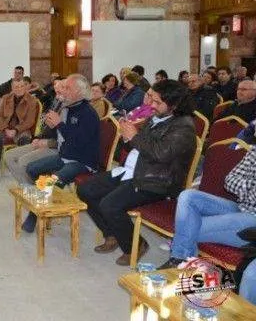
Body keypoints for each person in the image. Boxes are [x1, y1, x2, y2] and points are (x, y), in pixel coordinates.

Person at [76, 80, 196, 266]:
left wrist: (134, 136)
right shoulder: (157, 117)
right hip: (135, 171)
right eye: (151, 99)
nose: (151, 105)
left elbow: (160, 154)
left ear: (174, 104)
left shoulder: (184, 127)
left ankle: (136, 245)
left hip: (157, 181)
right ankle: (112, 233)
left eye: (157, 102)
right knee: (85, 190)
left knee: (110, 204)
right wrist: (127, 137)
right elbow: (135, 146)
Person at [157, 146, 256, 280]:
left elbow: (240, 185)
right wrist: (252, 187)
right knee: (188, 196)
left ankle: (179, 261)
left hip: (253, 221)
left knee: (187, 226)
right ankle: (184, 263)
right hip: (241, 207)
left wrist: (245, 188)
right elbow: (230, 181)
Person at [20, 75, 101, 233]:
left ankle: (35, 215)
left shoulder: (88, 113)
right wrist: (54, 125)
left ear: (79, 92)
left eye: (67, 88)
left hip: (82, 161)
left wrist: (59, 124)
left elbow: (79, 142)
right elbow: (62, 136)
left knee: (50, 181)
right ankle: (44, 201)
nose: (62, 91)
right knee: (31, 168)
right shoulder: (68, 107)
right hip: (66, 156)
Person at [4, 79, 66, 185]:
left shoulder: (70, 110)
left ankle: (32, 189)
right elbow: (47, 128)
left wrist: (48, 143)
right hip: (44, 141)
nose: (57, 95)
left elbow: (70, 139)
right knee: (8, 156)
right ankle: (29, 186)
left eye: (60, 91)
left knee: (23, 161)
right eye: (56, 92)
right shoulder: (58, 104)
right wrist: (38, 138)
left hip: (57, 148)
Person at [0, 80, 38, 181]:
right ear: (12, 88)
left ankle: (23, 169)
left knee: (25, 139)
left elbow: (30, 121)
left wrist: (16, 130)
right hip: (5, 127)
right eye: (16, 87)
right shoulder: (6, 98)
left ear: (25, 87)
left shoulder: (32, 100)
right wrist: (5, 128)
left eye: (22, 86)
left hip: (22, 128)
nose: (19, 89)